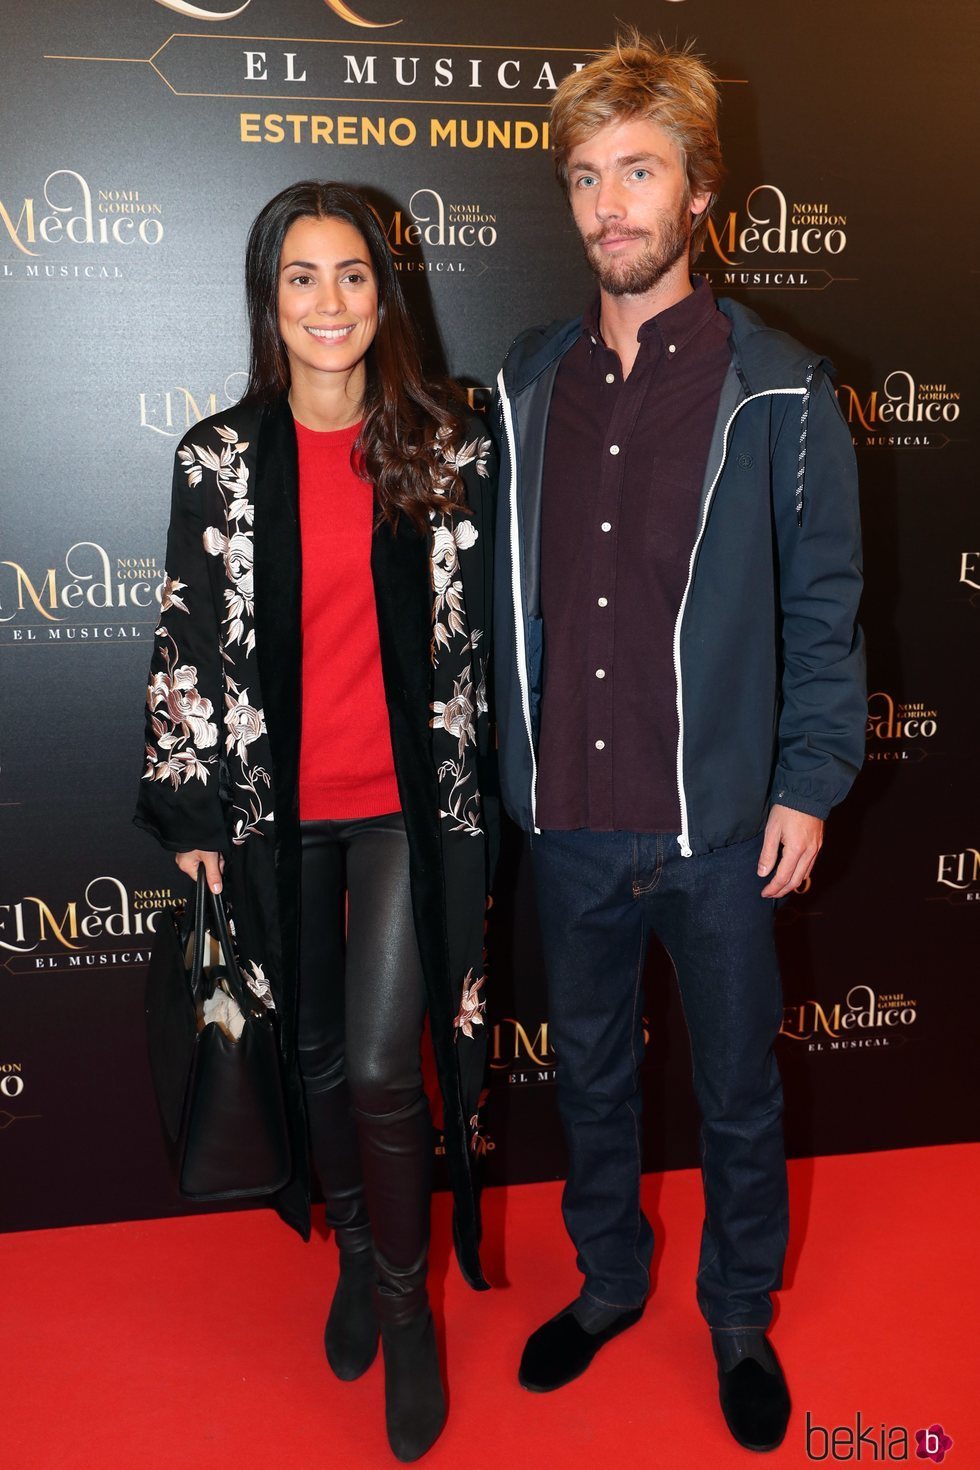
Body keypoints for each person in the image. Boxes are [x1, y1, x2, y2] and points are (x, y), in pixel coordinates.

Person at [492, 33, 864, 1453]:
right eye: (587, 176)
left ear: (700, 191)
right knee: (585, 1070)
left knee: (738, 1088)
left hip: (715, 828)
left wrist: (809, 785)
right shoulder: (528, 382)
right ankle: (605, 1283)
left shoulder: (779, 387)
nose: (609, 204)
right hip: (571, 815)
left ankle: (738, 1315)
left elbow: (826, 600)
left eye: (639, 170)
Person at [135, 180, 496, 1463]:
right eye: (301, 277)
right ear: (267, 298)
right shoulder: (218, 458)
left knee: (391, 1065)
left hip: (409, 804)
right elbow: (184, 631)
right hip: (271, 810)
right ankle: (356, 1250)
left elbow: (490, 638)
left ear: (383, 295)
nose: (327, 302)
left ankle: (406, 1315)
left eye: (351, 275)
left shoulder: (449, 444)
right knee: (322, 1061)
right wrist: (190, 806)